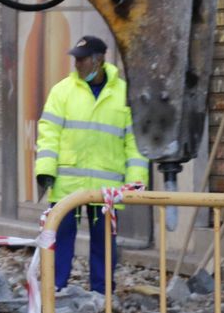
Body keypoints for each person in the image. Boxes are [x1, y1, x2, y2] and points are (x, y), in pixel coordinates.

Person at [33, 35, 147, 295]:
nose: (77, 64)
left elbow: (135, 142)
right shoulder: (62, 91)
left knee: (104, 244)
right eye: (76, 59)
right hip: (67, 183)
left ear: (99, 60)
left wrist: (136, 181)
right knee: (60, 239)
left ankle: (102, 294)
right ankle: (55, 290)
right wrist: (45, 171)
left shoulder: (124, 94)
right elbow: (48, 133)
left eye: (82, 59)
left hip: (106, 187)